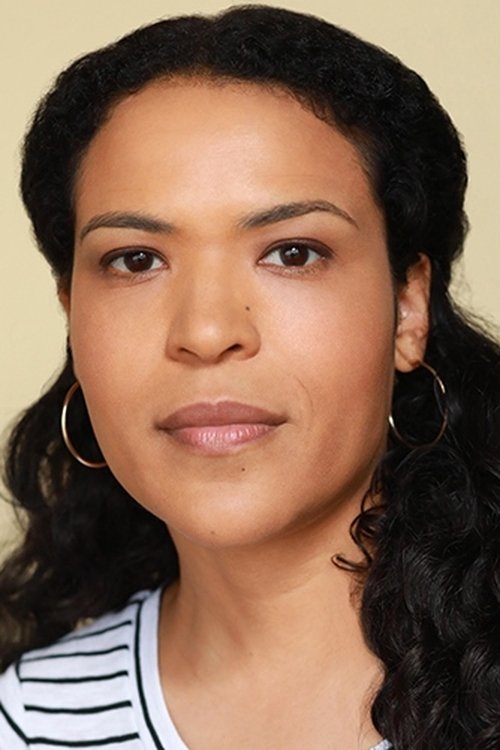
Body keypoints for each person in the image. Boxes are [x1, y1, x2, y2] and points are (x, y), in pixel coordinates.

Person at [0, 5, 498, 749]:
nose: (206, 332)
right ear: (72, 312)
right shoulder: (24, 721)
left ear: (408, 307)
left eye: (293, 253)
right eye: (136, 259)